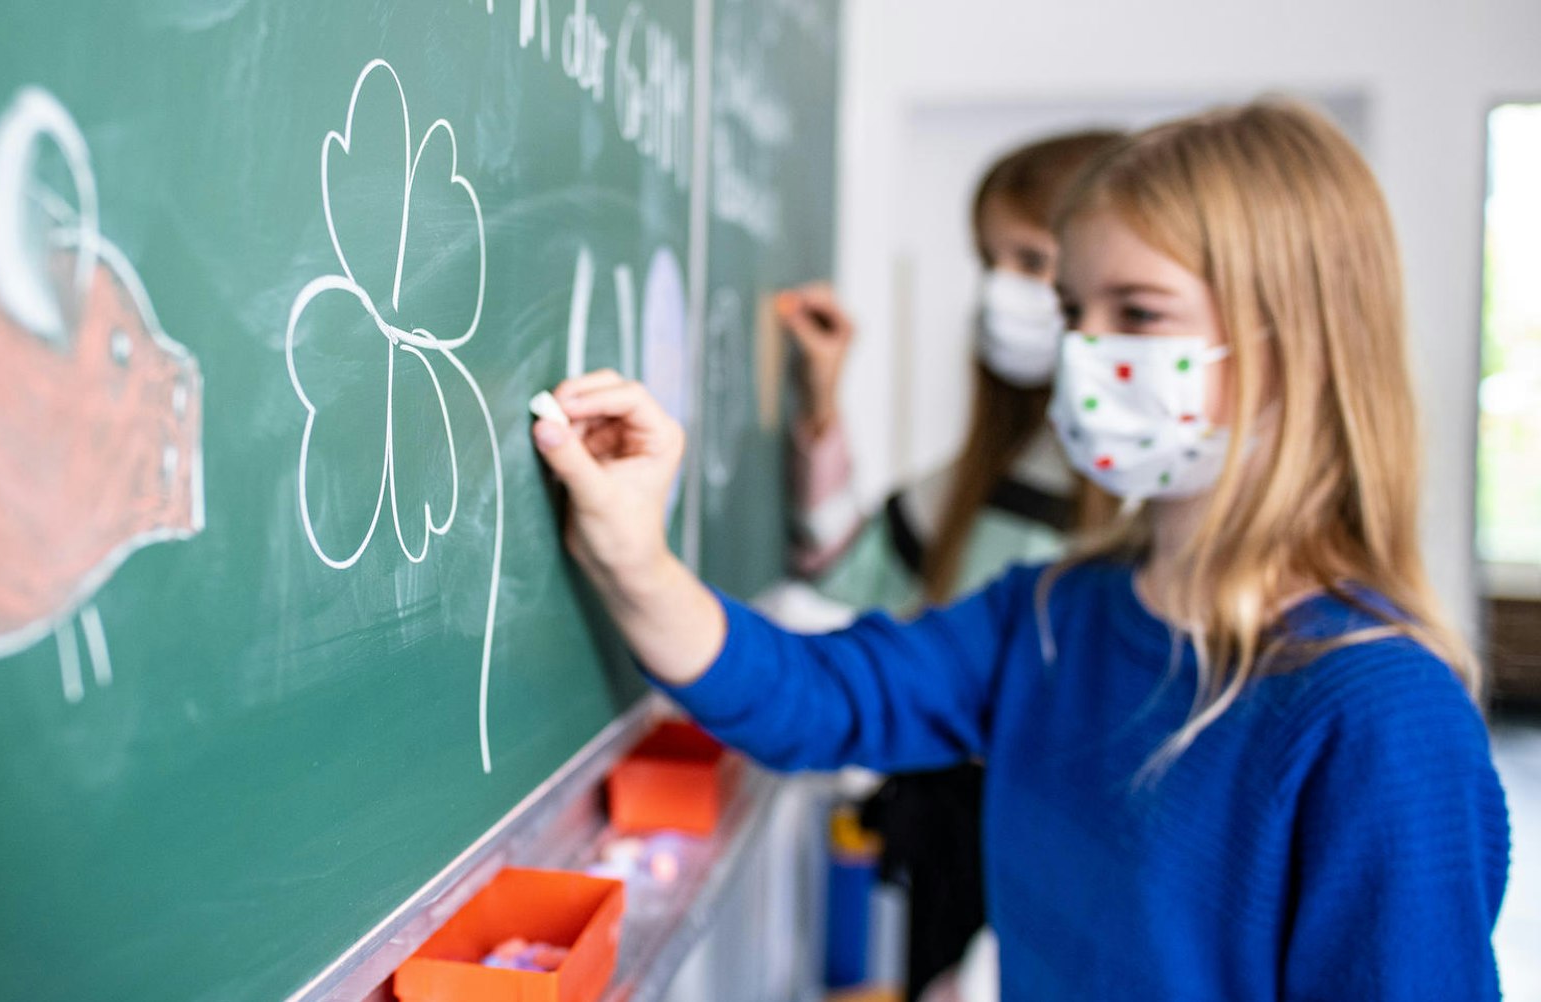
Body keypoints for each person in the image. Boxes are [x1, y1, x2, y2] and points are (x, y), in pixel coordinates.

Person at [529, 99, 1509, 998]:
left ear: (1293, 343)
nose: (1083, 354)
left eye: (1136, 314)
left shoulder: (1379, 716)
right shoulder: (1055, 614)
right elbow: (815, 699)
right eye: (1073, 312)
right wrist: (634, 558)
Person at [776, 129, 1122, 999]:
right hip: (954, 835)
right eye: (992, 261)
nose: (1009, 291)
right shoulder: (994, 475)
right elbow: (845, 566)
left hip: (1083, 845)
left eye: (1036, 260)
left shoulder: (1160, 501)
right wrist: (822, 407)